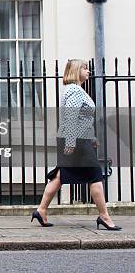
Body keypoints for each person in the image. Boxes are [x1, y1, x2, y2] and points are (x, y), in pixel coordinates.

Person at [32, 59, 121, 230]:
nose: (88, 71)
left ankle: (41, 210)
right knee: (95, 176)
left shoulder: (73, 90)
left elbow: (82, 119)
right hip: (76, 141)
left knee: (60, 176)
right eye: (85, 68)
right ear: (75, 70)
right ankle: (104, 216)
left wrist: (91, 137)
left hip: (76, 138)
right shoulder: (75, 90)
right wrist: (72, 142)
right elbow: (71, 117)